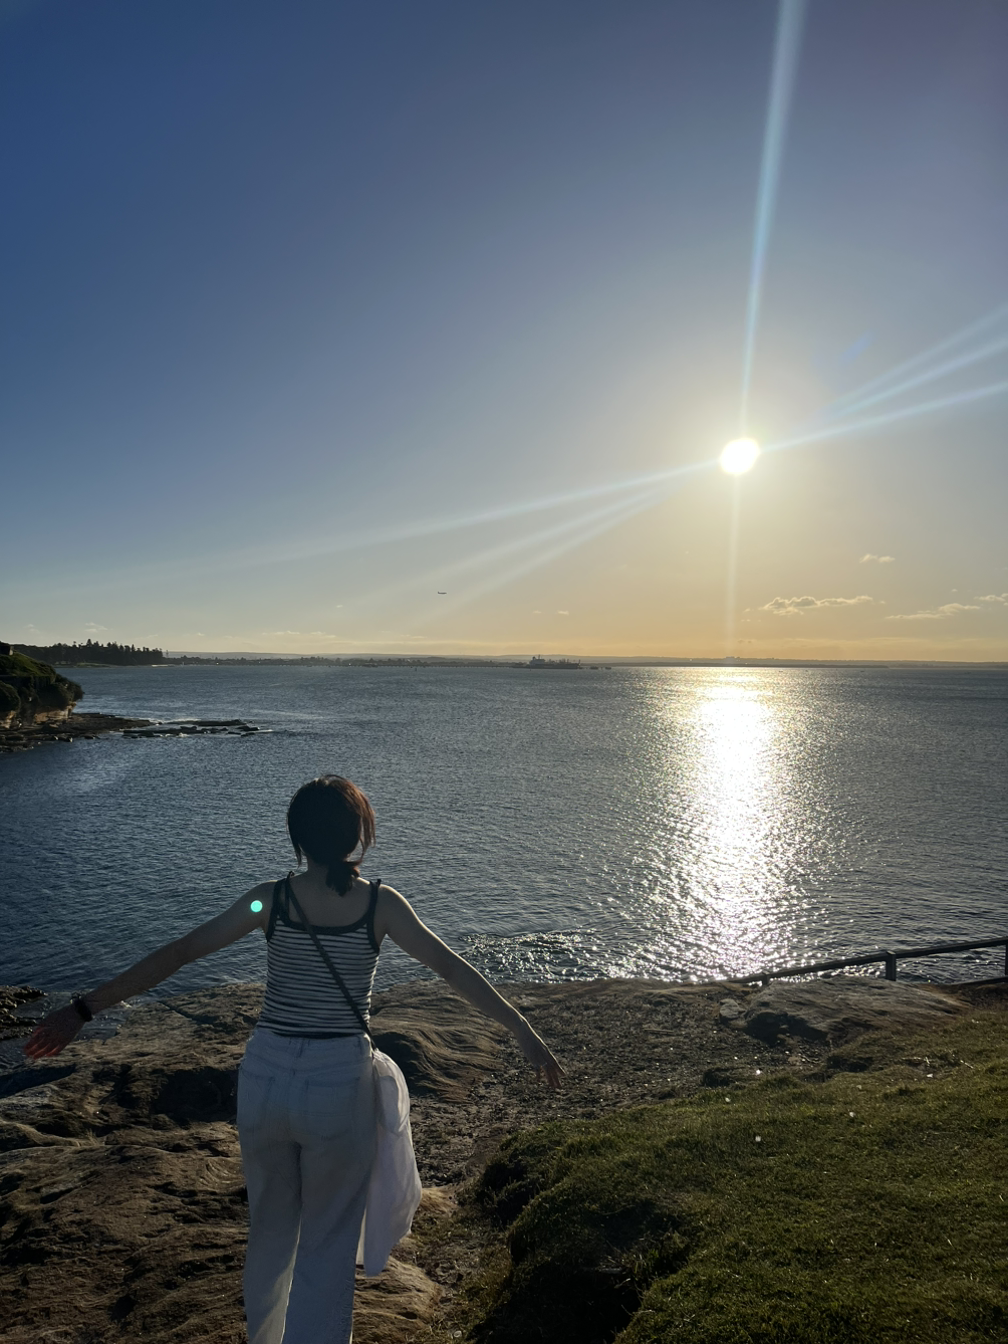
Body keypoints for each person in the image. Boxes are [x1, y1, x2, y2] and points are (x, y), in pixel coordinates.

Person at [24, 774, 562, 1344]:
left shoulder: (269, 900)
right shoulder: (380, 904)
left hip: (266, 1080)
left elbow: (182, 952)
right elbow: (451, 968)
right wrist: (522, 1030)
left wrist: (81, 1010)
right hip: (337, 1085)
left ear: (298, 837)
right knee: (327, 1242)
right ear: (357, 835)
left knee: (271, 1232)